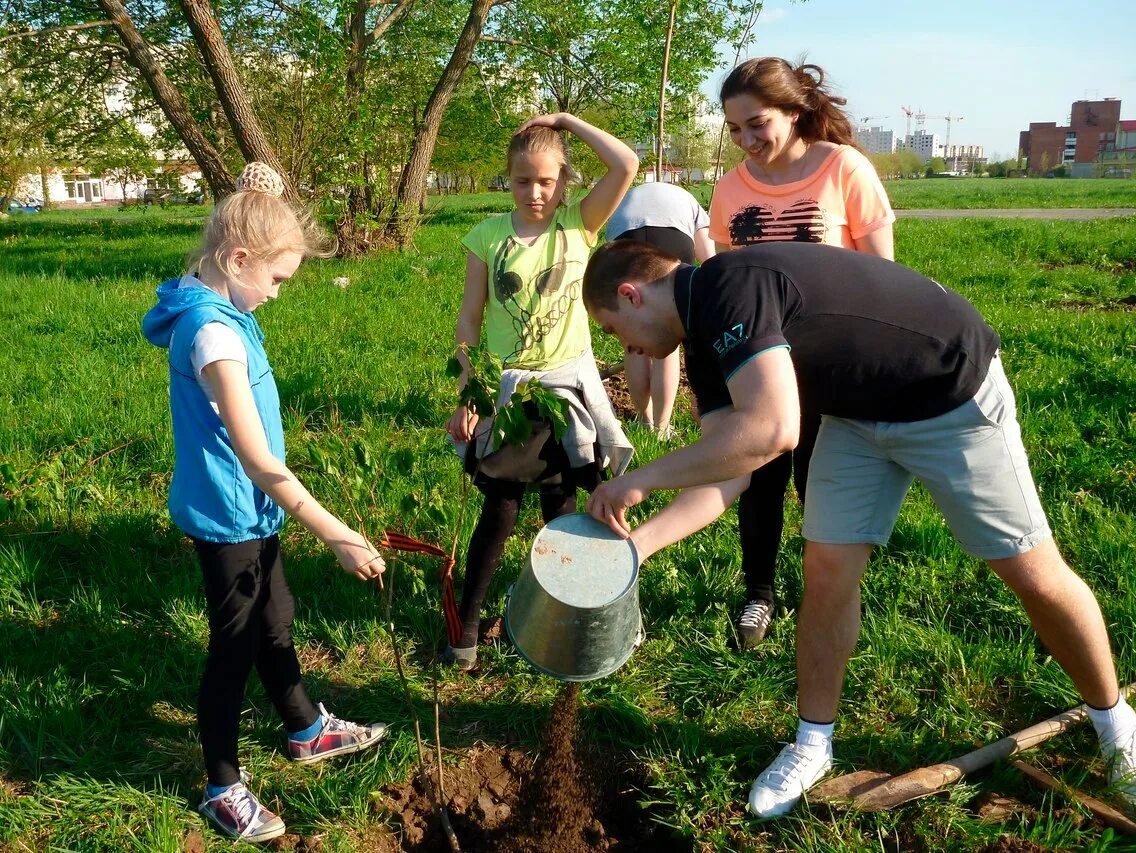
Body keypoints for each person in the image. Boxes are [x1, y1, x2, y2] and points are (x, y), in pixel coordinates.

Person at [579, 239, 1136, 819]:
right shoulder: (702, 341)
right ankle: (812, 743)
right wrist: (637, 548)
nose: (625, 347)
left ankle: (1115, 723)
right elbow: (732, 471)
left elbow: (774, 429)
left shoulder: (730, 284)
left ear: (631, 293)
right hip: (857, 413)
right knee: (825, 570)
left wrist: (638, 479)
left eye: (614, 330)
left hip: (948, 392)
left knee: (1031, 572)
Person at [142, 162, 389, 844]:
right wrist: (337, 531)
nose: (278, 294)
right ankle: (222, 786)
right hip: (229, 517)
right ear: (239, 258)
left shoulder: (220, 300)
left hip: (251, 509)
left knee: (275, 615)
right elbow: (256, 458)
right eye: (276, 279)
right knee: (235, 647)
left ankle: (305, 728)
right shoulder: (213, 335)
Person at [710, 57, 897, 647]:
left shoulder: (844, 168)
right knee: (759, 480)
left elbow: (883, 276)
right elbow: (724, 282)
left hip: (830, 366)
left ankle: (832, 593)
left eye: (757, 124)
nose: (746, 141)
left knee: (822, 486)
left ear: (794, 113)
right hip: (760, 368)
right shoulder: (730, 187)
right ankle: (758, 594)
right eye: (735, 130)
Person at [442, 114, 638, 671]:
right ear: (508, 178)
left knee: (565, 511)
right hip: (513, 396)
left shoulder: (579, 225)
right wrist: (470, 394)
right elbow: (470, 319)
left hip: (569, 395)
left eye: (547, 181)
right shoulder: (486, 237)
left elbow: (626, 163)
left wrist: (566, 121)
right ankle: (468, 630)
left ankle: (565, 626)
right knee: (500, 509)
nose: (535, 192)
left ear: (564, 181)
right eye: (523, 180)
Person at [605, 181, 715, 438]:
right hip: (672, 237)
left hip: (625, 238)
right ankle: (662, 426)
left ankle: (644, 420)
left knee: (635, 341)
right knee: (667, 340)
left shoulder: (630, 195)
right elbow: (709, 261)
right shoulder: (691, 203)